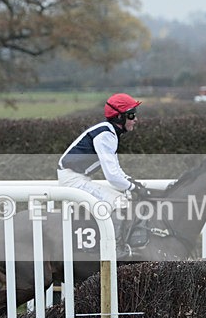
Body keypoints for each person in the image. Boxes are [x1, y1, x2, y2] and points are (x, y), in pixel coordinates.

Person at [57, 93, 148, 256]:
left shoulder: (110, 133)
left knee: (121, 200)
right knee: (120, 203)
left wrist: (131, 182)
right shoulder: (106, 135)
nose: (135, 119)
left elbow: (116, 169)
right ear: (119, 117)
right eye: (132, 115)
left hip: (77, 177)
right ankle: (115, 250)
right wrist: (133, 187)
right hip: (72, 179)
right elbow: (112, 177)